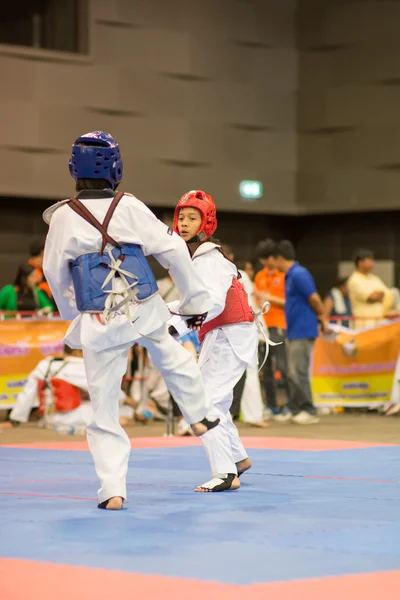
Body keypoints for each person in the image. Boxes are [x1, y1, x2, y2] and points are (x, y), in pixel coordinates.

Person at [42, 131, 219, 510]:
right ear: (116, 168)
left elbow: (55, 274)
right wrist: (194, 299)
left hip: (98, 315)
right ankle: (200, 414)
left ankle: (112, 490)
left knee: (104, 406)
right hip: (142, 305)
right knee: (169, 354)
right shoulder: (130, 206)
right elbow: (172, 248)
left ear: (74, 169)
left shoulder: (62, 218)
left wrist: (76, 313)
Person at [169, 189, 259, 492]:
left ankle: (225, 473)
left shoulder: (210, 259)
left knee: (205, 402)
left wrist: (177, 328)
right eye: (181, 217)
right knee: (214, 401)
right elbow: (193, 304)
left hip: (229, 334)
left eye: (192, 218)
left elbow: (213, 304)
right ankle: (237, 459)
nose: (184, 223)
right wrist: (160, 313)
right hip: (222, 334)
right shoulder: (196, 258)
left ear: (206, 223)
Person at [0, 346, 133, 432]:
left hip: (48, 417)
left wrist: (16, 418)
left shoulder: (45, 363)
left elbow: (27, 393)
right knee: (126, 411)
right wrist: (126, 399)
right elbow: (106, 390)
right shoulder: (80, 366)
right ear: (77, 351)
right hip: (73, 416)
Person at [274, 240, 327, 425]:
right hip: (295, 330)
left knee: (298, 372)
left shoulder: (299, 274)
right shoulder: (290, 275)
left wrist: (322, 316)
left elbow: (314, 297)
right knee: (291, 372)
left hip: (304, 330)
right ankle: (295, 409)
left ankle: (308, 410)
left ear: (280, 258)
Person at [254, 239, 291, 420]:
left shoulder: (283, 276)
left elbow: (288, 302)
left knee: (283, 366)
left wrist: (269, 297)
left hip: (279, 324)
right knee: (265, 368)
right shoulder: (259, 276)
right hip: (262, 327)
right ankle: (272, 405)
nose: (265, 262)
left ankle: (290, 406)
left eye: (267, 258)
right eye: (262, 259)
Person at [347, 249, 393, 329]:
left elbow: (388, 293)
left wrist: (380, 294)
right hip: (364, 323)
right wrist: (381, 294)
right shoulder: (354, 280)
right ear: (360, 263)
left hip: (379, 322)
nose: (373, 264)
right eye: (370, 261)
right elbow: (371, 297)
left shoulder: (374, 278)